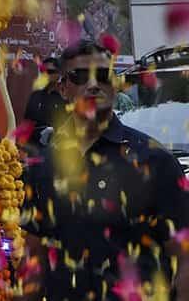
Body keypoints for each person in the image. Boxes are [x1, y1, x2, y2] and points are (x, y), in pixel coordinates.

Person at [20, 39, 189, 300]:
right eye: (80, 76)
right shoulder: (43, 166)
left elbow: (184, 259)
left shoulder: (155, 161)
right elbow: (34, 260)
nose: (93, 84)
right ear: (63, 88)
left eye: (102, 75)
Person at [22, 56, 66, 147]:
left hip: (56, 150)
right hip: (33, 149)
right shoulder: (35, 95)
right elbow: (26, 124)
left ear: (59, 74)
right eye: (43, 71)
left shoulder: (65, 97)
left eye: (50, 71)